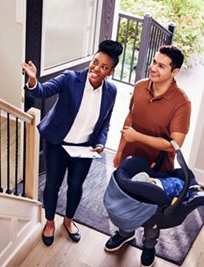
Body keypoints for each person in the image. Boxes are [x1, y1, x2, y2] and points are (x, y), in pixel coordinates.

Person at [21, 40, 123, 246]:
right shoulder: (70, 78)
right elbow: (41, 91)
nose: (96, 68)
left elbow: (105, 123)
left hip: (84, 148)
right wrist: (33, 80)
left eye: (104, 66)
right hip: (58, 144)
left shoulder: (111, 91)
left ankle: (68, 220)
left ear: (111, 71)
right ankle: (49, 222)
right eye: (95, 62)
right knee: (52, 185)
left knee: (76, 186)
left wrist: (101, 143)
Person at [104, 45, 190, 267]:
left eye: (161, 66)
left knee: (151, 210)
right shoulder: (140, 86)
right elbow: (130, 119)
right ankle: (125, 233)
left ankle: (149, 245)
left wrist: (137, 137)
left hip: (158, 167)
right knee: (128, 200)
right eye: (154, 62)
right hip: (130, 160)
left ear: (175, 72)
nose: (154, 68)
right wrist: (121, 150)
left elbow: (174, 145)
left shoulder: (182, 102)